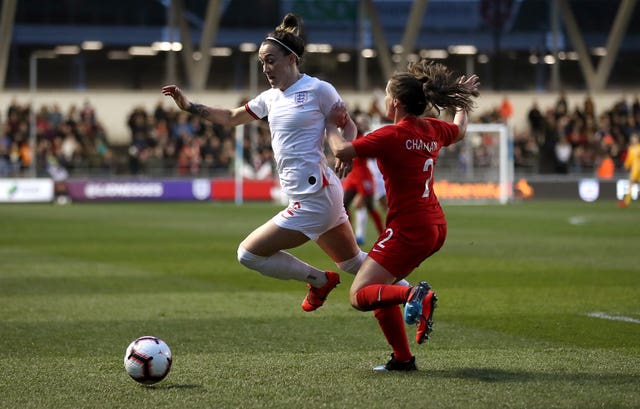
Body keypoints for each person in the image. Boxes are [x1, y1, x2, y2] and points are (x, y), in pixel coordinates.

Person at [162, 13, 366, 312]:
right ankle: (413, 293)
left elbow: (347, 125)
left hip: (315, 196)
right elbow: (232, 117)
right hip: (318, 193)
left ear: (292, 59)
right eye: (262, 62)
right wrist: (189, 106)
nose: (265, 68)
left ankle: (320, 281)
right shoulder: (270, 98)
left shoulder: (319, 90)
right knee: (353, 263)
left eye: (271, 60)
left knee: (248, 254)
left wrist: (343, 151)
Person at [330, 60, 480, 371]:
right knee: (380, 290)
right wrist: (461, 103)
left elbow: (343, 151)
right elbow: (461, 130)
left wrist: (329, 124)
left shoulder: (390, 135)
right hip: (435, 226)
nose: (384, 100)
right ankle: (402, 358)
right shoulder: (434, 129)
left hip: (409, 228)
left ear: (395, 102)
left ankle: (415, 295)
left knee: (359, 294)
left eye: (386, 95)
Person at [341, 113, 384, 244]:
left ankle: (383, 235)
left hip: (364, 175)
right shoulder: (350, 137)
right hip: (353, 175)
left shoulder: (364, 138)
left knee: (370, 206)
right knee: (343, 206)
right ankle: (350, 235)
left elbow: (372, 154)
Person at [621, 133, 640, 207]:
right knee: (630, 184)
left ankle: (626, 202)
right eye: (632, 138)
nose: (633, 140)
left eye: (634, 138)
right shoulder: (631, 148)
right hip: (634, 169)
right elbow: (629, 159)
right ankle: (626, 202)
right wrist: (626, 165)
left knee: (631, 184)